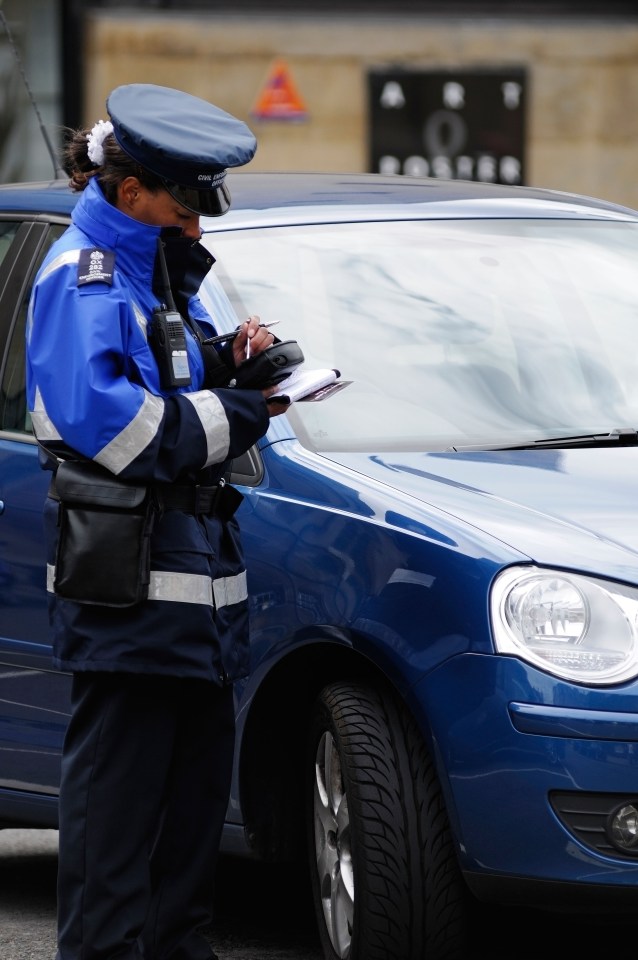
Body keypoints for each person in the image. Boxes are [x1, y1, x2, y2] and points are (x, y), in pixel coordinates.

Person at [25, 83, 292, 960]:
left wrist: (232, 363)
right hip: (131, 605)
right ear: (129, 189)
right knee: (115, 838)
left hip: (193, 603)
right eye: (186, 204)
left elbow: (170, 383)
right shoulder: (83, 277)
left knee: (187, 836)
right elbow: (120, 428)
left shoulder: (159, 275)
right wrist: (243, 412)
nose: (199, 226)